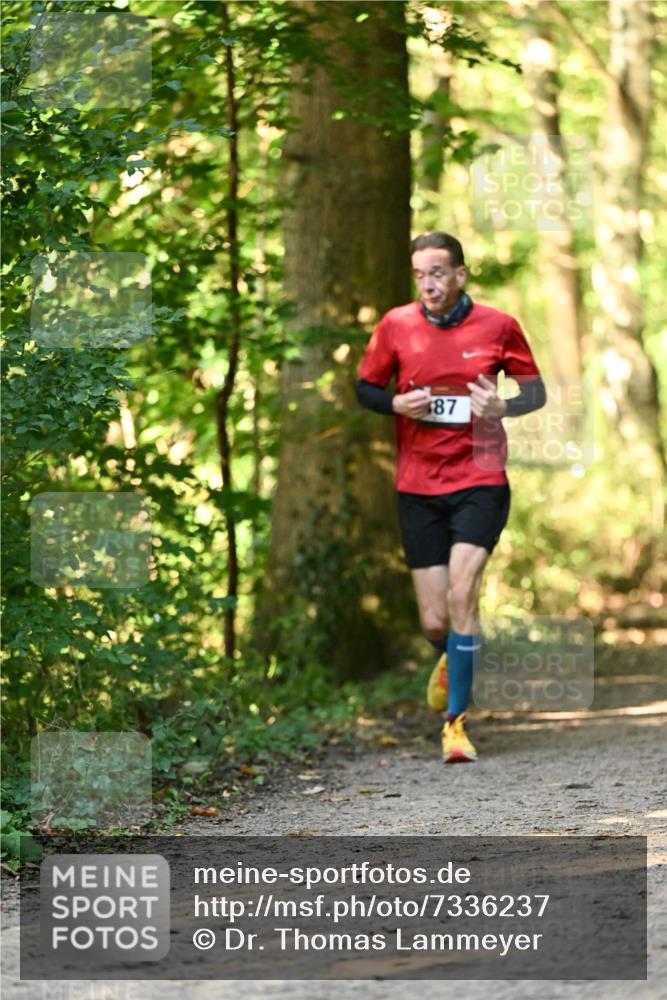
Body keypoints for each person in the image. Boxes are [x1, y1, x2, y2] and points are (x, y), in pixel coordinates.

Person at [356, 231, 546, 763]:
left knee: (464, 594)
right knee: (436, 620)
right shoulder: (396, 325)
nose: (428, 284)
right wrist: (396, 403)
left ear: (460, 274)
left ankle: (455, 725)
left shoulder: (498, 326)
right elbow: (365, 388)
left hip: (480, 478)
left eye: (437, 272)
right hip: (418, 486)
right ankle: (456, 655)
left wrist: (501, 407)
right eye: (420, 274)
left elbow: (535, 391)